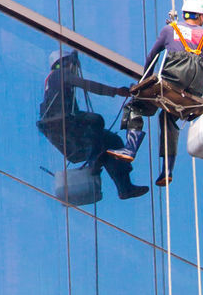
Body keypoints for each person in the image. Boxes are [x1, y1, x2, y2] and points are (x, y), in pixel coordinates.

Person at [110, 0, 203, 187]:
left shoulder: (169, 30)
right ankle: (167, 170)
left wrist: (143, 81)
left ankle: (130, 149)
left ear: (184, 14)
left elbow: (152, 56)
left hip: (170, 83)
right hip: (193, 93)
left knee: (135, 106)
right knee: (169, 117)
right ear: (199, 17)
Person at [37, 49, 147, 199]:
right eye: (72, 63)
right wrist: (115, 91)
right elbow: (87, 85)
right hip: (62, 121)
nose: (74, 67)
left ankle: (125, 187)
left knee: (112, 141)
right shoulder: (59, 74)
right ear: (65, 63)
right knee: (96, 120)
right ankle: (95, 159)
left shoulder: (54, 80)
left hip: (64, 124)